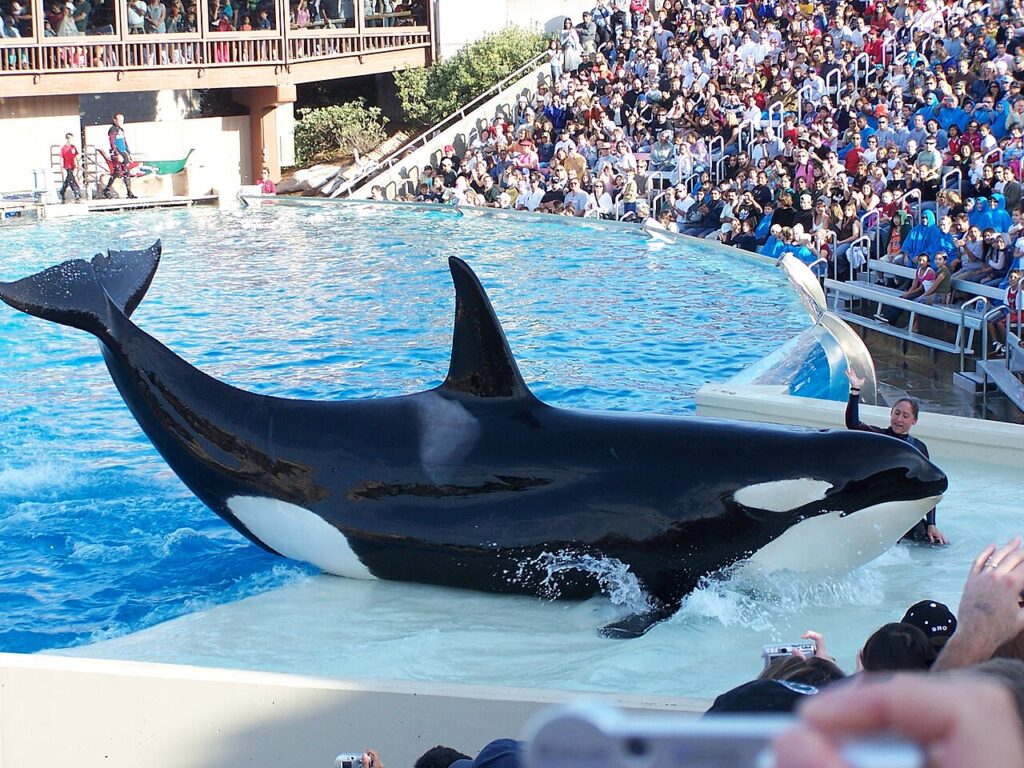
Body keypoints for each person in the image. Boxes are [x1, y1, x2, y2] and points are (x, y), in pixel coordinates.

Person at [843, 367, 948, 545]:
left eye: (905, 416)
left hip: (903, 510)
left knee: (935, 544)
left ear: (914, 421)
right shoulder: (880, 437)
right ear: (891, 414)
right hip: (879, 506)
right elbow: (853, 424)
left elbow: (929, 486)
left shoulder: (919, 447)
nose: (899, 419)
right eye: (897, 413)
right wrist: (855, 391)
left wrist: (931, 524)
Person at [58, 132, 82, 203]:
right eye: (71, 139)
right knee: (71, 178)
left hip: (72, 165)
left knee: (68, 179)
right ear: (67, 139)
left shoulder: (73, 147)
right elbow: (61, 157)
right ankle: (76, 192)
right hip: (67, 165)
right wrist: (61, 166)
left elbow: (76, 155)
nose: (72, 141)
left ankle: (62, 191)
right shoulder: (64, 148)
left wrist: (78, 163)